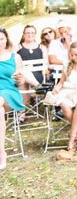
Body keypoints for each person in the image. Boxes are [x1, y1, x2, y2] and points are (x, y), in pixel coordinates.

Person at [43, 40, 77, 151]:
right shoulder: (67, 65)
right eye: (71, 55)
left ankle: (71, 138)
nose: (74, 57)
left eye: (76, 55)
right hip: (66, 90)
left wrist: (76, 92)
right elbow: (61, 82)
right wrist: (56, 89)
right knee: (63, 105)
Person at [0, 27, 26, 170]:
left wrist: (20, 79)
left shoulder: (14, 57)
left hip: (9, 93)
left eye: (1, 39)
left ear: (6, 39)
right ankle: (1, 151)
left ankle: (1, 154)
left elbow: (20, 82)